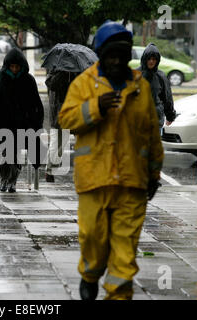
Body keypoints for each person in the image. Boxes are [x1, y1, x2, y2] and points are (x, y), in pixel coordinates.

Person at [58, 20, 164, 300]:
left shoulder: (140, 89)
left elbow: (153, 135)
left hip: (132, 186)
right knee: (93, 239)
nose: (117, 61)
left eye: (122, 55)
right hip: (94, 183)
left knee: (124, 255)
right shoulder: (84, 84)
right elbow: (66, 118)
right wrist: (95, 108)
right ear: (102, 55)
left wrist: (154, 175)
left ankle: (118, 293)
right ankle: (90, 275)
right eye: (111, 56)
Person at [0, 48, 44, 193]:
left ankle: (12, 180)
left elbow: (35, 103)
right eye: (12, 66)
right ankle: (4, 179)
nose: (14, 69)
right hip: (3, 121)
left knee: (15, 152)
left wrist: (36, 123)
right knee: (5, 152)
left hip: (21, 123)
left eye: (17, 67)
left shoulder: (28, 80)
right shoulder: (0, 76)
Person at [44, 70, 79, 183]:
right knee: (58, 144)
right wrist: (62, 73)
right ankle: (50, 170)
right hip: (59, 113)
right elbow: (51, 84)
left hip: (75, 111)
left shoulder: (78, 71)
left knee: (82, 143)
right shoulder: (56, 69)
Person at [138, 43, 176, 134]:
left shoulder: (161, 77)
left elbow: (167, 98)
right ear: (145, 59)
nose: (151, 61)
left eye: (154, 59)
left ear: (157, 60)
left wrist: (170, 116)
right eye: (149, 59)